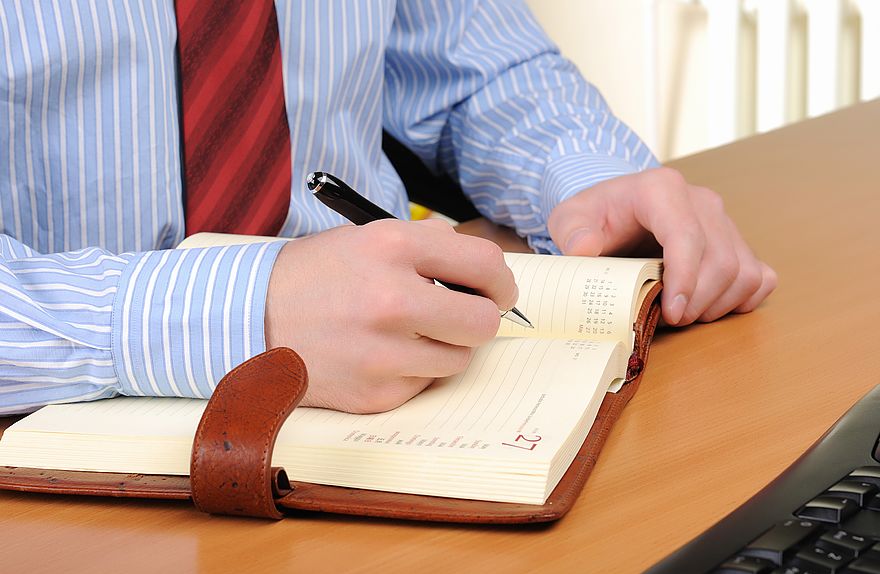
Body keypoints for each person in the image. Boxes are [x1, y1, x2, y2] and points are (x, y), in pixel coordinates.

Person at [0, 0, 776, 416]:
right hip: (58, 419)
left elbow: (470, 61)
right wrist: (245, 307)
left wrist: (585, 173)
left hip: (396, 376)